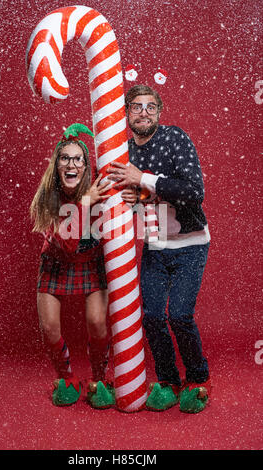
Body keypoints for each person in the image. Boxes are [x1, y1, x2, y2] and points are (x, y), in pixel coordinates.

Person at [107, 85, 211, 413]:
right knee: (150, 316)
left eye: (150, 107)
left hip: (190, 245)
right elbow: (141, 198)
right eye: (136, 107)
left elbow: (194, 191)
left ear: (159, 112)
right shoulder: (123, 152)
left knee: (179, 315)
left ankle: (198, 378)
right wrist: (137, 195)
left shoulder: (174, 139)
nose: (143, 113)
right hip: (155, 245)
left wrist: (144, 179)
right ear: (126, 113)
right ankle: (167, 381)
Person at [30, 123, 115, 409]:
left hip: (91, 262)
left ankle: (99, 379)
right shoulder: (51, 195)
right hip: (56, 263)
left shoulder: (99, 189)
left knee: (96, 323)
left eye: (78, 158)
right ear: (57, 165)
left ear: (85, 165)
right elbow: (66, 243)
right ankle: (65, 379)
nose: (71, 164)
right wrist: (87, 202)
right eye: (64, 158)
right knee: (50, 328)